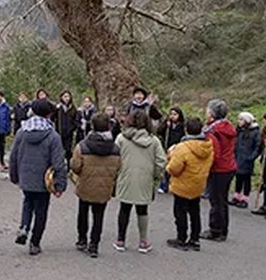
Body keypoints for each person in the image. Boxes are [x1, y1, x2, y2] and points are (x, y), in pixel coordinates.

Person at [9, 99, 67, 256]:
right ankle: (35, 243)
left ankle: (24, 227)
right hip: (44, 181)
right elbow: (58, 162)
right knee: (41, 211)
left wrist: (14, 176)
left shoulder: (22, 131)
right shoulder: (53, 135)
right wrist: (60, 185)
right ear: (49, 114)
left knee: (27, 202)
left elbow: (13, 156)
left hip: (26, 177)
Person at [113, 110, 166, 254]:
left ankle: (120, 240)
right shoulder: (154, 140)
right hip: (145, 178)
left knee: (124, 208)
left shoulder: (121, 138)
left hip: (126, 176)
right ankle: (143, 241)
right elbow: (161, 161)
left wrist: (117, 173)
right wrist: (155, 176)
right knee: (142, 210)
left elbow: (114, 157)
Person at [70, 113, 121, 258]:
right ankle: (94, 244)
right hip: (104, 187)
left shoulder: (83, 146)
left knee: (83, 213)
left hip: (85, 185)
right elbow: (119, 167)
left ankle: (82, 239)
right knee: (99, 216)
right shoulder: (115, 148)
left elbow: (75, 166)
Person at [165, 117, 213, 252]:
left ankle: (181, 238)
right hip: (198, 184)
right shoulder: (208, 146)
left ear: (186, 129)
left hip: (182, 185)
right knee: (194, 212)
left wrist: (170, 157)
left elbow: (174, 168)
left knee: (180, 212)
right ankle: (195, 239)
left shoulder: (182, 148)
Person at [201, 99, 237, 242]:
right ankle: (222, 230)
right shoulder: (226, 127)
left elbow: (214, 154)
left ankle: (216, 230)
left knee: (216, 200)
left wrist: (205, 168)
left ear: (212, 114)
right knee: (222, 200)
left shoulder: (213, 131)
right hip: (229, 167)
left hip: (219, 168)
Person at [231, 112, 260, 209]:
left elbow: (258, 146)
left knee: (246, 179)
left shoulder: (255, 132)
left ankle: (245, 198)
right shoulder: (239, 131)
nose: (239, 121)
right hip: (238, 157)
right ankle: (237, 196)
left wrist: (251, 157)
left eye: (241, 119)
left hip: (247, 159)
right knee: (238, 177)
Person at [157, 107, 186, 193]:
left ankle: (175, 185)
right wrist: (166, 125)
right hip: (167, 148)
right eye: (171, 114)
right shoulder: (167, 125)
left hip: (177, 148)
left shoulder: (182, 126)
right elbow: (159, 132)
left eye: (175, 114)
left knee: (175, 168)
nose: (173, 116)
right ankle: (163, 186)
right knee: (166, 168)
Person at [55, 91, 79, 168]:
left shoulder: (73, 108)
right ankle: (59, 165)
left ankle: (69, 166)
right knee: (58, 150)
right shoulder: (58, 108)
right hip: (59, 132)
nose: (66, 98)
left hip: (69, 133)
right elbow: (53, 118)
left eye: (68, 96)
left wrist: (72, 128)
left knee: (68, 150)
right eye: (64, 96)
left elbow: (76, 120)